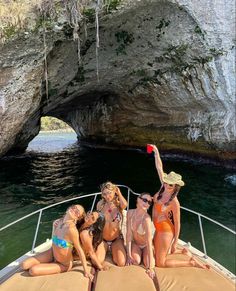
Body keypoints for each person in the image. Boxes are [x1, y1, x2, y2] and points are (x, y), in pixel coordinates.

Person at [151, 144, 209, 269]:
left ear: (176, 187)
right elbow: (159, 168)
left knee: (159, 263)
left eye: (171, 185)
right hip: (157, 227)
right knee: (154, 252)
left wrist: (175, 241)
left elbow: (177, 223)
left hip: (165, 231)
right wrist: (156, 151)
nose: (167, 186)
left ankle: (190, 262)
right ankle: (183, 252)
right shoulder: (163, 187)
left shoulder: (174, 202)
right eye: (167, 183)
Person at [21, 204, 93, 278]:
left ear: (78, 218)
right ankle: (50, 262)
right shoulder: (59, 222)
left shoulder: (72, 230)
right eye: (74, 207)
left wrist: (86, 272)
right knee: (24, 265)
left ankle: (56, 267)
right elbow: (55, 239)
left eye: (77, 212)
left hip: (63, 264)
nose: (74, 210)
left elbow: (79, 250)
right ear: (69, 207)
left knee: (33, 270)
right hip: (52, 253)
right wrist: (53, 226)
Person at [96, 182, 127, 266]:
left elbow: (125, 205)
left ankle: (113, 251)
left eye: (109, 193)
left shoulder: (118, 204)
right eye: (104, 194)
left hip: (116, 239)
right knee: (97, 262)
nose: (107, 196)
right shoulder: (100, 205)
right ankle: (106, 251)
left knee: (121, 263)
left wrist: (119, 193)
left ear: (114, 192)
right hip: (103, 239)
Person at [126, 192, 155, 279]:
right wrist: (128, 255)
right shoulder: (130, 213)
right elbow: (128, 235)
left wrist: (150, 268)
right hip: (136, 243)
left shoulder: (146, 220)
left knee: (147, 264)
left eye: (149, 202)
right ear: (138, 199)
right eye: (145, 200)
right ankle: (139, 254)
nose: (147, 203)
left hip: (146, 245)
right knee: (135, 261)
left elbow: (149, 243)